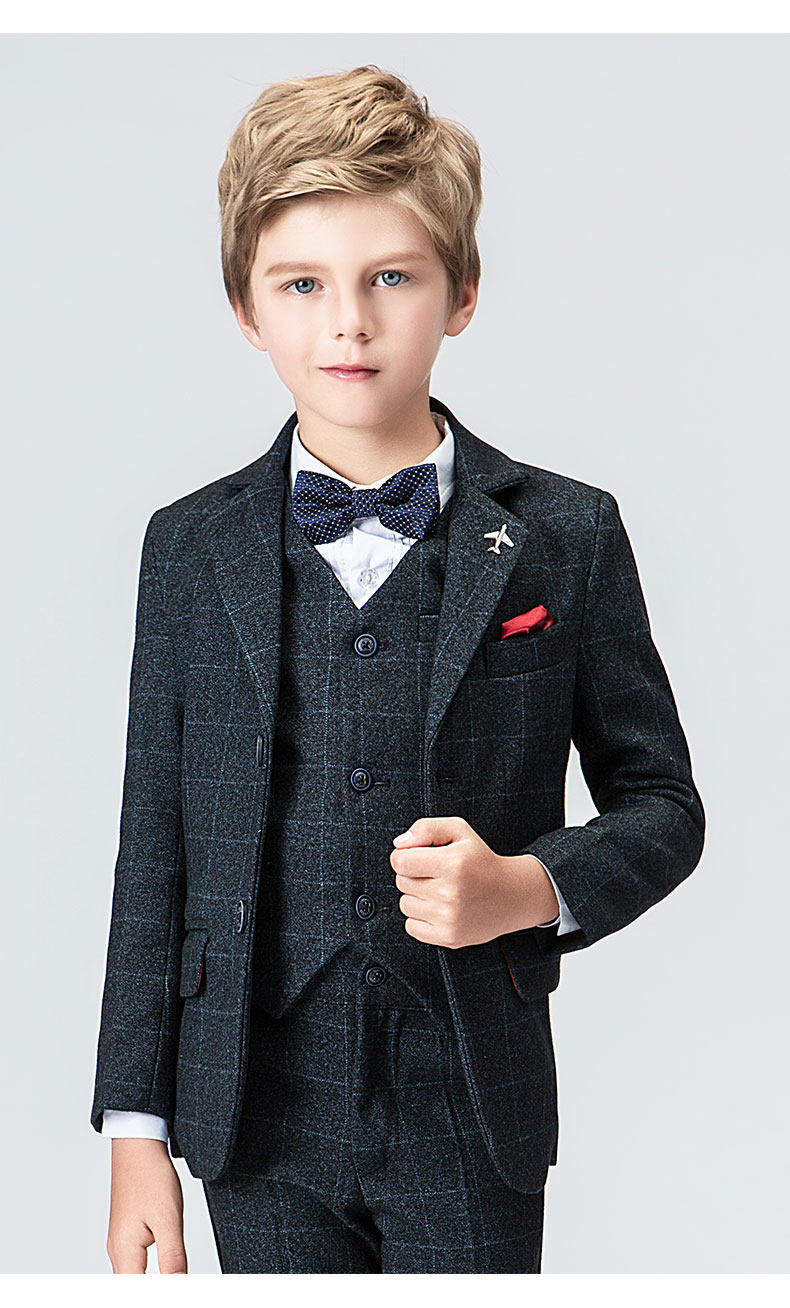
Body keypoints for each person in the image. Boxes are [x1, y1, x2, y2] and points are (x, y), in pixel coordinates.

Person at [90, 64, 705, 1274]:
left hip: (469, 1099)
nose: (349, 323)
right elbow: (153, 843)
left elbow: (664, 806)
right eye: (302, 284)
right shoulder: (189, 547)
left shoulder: (564, 535)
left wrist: (525, 888)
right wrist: (135, 1129)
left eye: (391, 277)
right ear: (245, 306)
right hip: (252, 1110)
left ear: (462, 291)